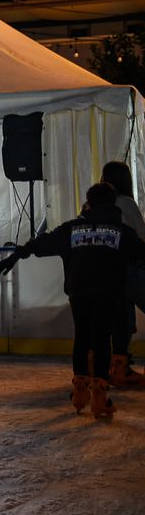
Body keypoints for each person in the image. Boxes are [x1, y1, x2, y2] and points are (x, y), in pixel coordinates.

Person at [0, 182, 145, 421]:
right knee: (102, 340)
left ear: (89, 202)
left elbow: (39, 243)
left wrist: (13, 257)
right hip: (108, 293)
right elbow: (141, 254)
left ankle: (79, 393)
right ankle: (99, 397)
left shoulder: (73, 229)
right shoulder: (121, 232)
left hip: (80, 293)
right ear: (112, 203)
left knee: (82, 338)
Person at [100, 161, 145, 387]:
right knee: (123, 320)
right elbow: (140, 237)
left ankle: (116, 367)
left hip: (103, 273)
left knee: (120, 320)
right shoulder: (125, 204)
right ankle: (119, 367)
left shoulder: (93, 205)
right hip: (129, 269)